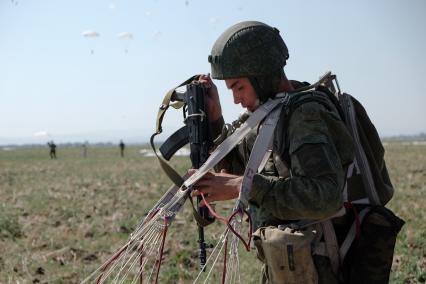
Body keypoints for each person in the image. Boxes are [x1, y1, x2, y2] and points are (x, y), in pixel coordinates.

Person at [191, 21, 400, 283]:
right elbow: (237, 170)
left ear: (262, 75)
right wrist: (214, 119)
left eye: (239, 87)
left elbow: (322, 197)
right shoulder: (268, 117)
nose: (236, 99)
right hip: (291, 266)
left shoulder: (305, 116)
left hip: (324, 267)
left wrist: (241, 186)